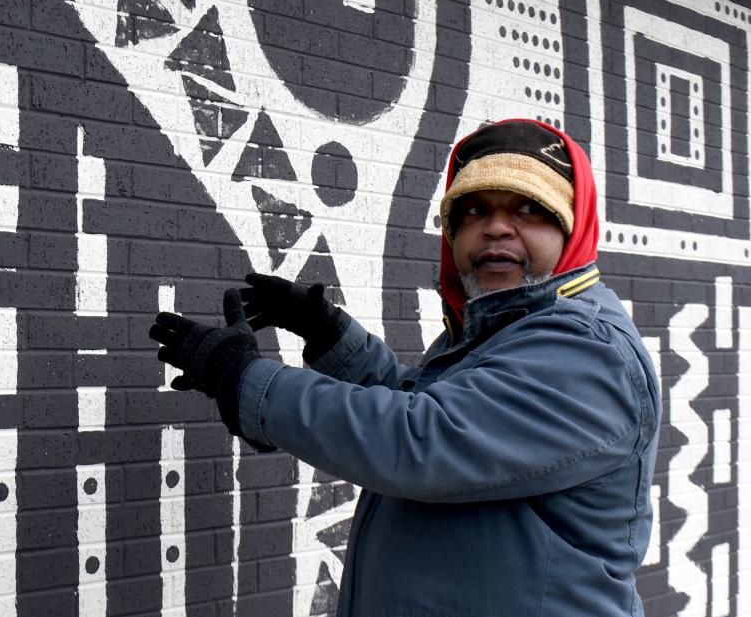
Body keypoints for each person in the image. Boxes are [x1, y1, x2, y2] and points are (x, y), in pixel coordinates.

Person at [149, 118, 661, 616]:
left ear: (573, 228)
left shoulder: (588, 350)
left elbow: (424, 441)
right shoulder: (500, 327)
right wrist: (331, 336)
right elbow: (434, 414)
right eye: (474, 210)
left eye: (529, 209)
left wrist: (242, 381)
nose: (496, 227)